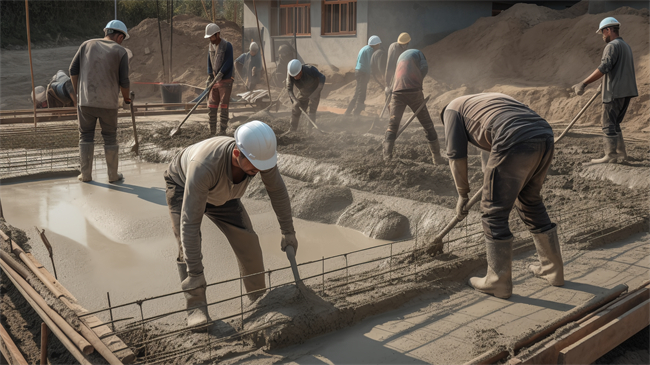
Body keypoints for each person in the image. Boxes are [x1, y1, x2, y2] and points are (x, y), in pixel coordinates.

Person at [164, 120, 297, 328]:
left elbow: (277, 191)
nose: (260, 170)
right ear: (237, 154)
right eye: (255, 168)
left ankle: (259, 299)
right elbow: (190, 224)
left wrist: (288, 231)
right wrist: (196, 275)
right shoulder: (204, 166)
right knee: (186, 242)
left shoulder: (259, 157)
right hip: (184, 185)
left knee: (247, 239)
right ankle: (196, 304)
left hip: (223, 191)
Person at [440, 93, 564, 299]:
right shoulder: (483, 102)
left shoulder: (451, 111)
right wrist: (489, 175)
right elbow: (487, 142)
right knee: (530, 201)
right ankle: (553, 271)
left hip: (513, 136)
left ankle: (498, 281)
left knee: (493, 211)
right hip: (543, 133)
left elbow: (456, 157)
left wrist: (462, 194)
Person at [69, 20, 131, 183]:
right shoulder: (121, 51)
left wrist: (78, 93)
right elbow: (124, 81)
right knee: (110, 137)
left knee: (85, 135)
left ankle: (86, 175)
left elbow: (72, 70)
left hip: (86, 103)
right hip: (108, 104)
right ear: (119, 37)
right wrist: (126, 99)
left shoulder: (86, 45)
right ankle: (112, 176)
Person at [572, 17, 637, 164]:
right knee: (615, 123)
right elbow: (619, 69)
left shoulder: (612, 46)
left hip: (614, 92)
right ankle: (621, 154)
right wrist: (605, 82)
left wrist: (583, 83)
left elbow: (604, 67)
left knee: (607, 123)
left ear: (608, 30)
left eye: (603, 32)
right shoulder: (625, 45)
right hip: (626, 91)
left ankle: (610, 155)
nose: (602, 35)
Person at [382, 49, 444, 165]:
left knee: (392, 125)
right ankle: (437, 158)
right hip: (414, 91)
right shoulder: (419, 54)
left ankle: (387, 157)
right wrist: (418, 80)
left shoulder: (400, 58)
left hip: (397, 92)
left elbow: (397, 74)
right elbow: (424, 68)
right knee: (427, 124)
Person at [205, 23, 234, 136]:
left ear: (217, 35)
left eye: (211, 37)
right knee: (211, 105)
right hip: (215, 79)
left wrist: (221, 73)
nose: (210, 39)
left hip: (226, 79)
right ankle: (212, 131)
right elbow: (209, 61)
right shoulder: (210, 46)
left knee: (223, 105)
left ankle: (222, 131)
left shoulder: (227, 45)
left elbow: (228, 62)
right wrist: (209, 75)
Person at [345, 35, 381, 116]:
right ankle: (356, 113)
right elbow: (370, 63)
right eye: (378, 44)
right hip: (363, 73)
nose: (379, 46)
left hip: (359, 71)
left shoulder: (364, 48)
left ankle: (348, 112)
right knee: (362, 93)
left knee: (358, 93)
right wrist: (374, 73)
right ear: (375, 44)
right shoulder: (370, 50)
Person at [286, 59, 326, 133]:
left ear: (301, 70)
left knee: (312, 109)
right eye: (293, 76)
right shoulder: (291, 73)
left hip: (314, 90)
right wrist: (294, 100)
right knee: (296, 107)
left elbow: (322, 77)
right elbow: (289, 89)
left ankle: (309, 130)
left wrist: (316, 92)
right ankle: (292, 129)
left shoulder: (310, 69)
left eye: (297, 75)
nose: (295, 77)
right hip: (303, 92)